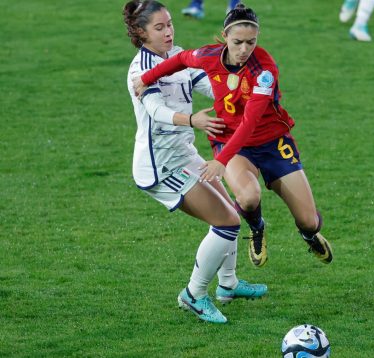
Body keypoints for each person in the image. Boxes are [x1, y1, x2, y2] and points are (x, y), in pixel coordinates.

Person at [134, 4, 333, 268]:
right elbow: (181, 60)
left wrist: (221, 161)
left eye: (251, 42)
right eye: (238, 42)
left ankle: (309, 235)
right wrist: (147, 77)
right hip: (233, 143)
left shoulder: (264, 71)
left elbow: (250, 122)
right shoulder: (209, 55)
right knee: (248, 197)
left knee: (308, 220)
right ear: (225, 37)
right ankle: (257, 228)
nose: (244, 50)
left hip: (272, 142)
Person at [123, 0, 266, 324]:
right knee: (227, 222)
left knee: (232, 209)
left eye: (170, 24)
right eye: (159, 28)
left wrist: (241, 93)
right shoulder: (139, 70)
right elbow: (156, 110)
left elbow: (208, 84)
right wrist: (192, 120)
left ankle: (228, 285)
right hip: (161, 167)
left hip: (184, 155)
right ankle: (193, 295)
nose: (169, 32)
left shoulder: (178, 57)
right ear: (141, 33)